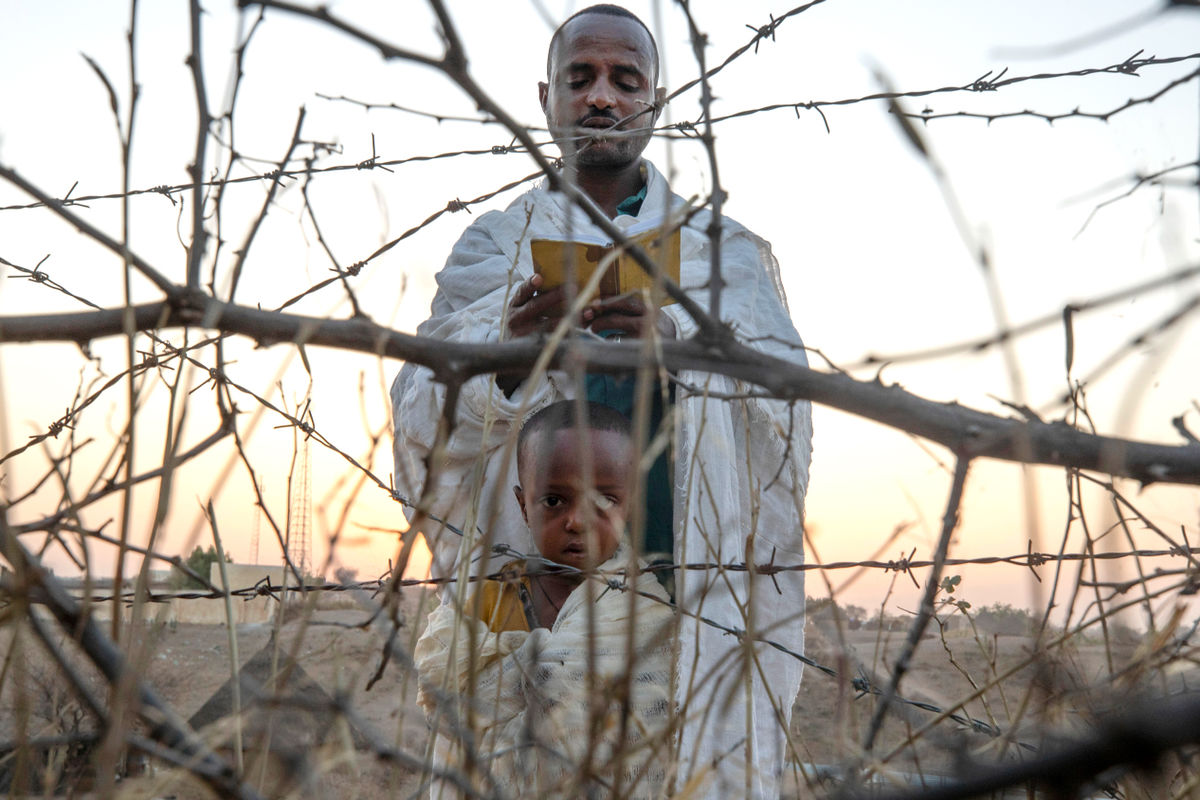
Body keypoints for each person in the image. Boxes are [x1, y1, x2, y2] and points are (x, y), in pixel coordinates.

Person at [393, 5, 813, 797]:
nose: (602, 98)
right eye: (581, 79)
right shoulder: (494, 245)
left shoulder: (727, 257)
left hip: (689, 604)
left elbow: (786, 425)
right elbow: (422, 415)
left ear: (655, 100)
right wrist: (504, 361)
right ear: (547, 97)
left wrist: (686, 349)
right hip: (534, 597)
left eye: (626, 80)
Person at [413, 401, 675, 799]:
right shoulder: (487, 603)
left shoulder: (647, 610)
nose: (577, 520)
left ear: (630, 505)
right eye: (554, 500)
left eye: (604, 501)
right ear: (523, 505)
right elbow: (452, 711)